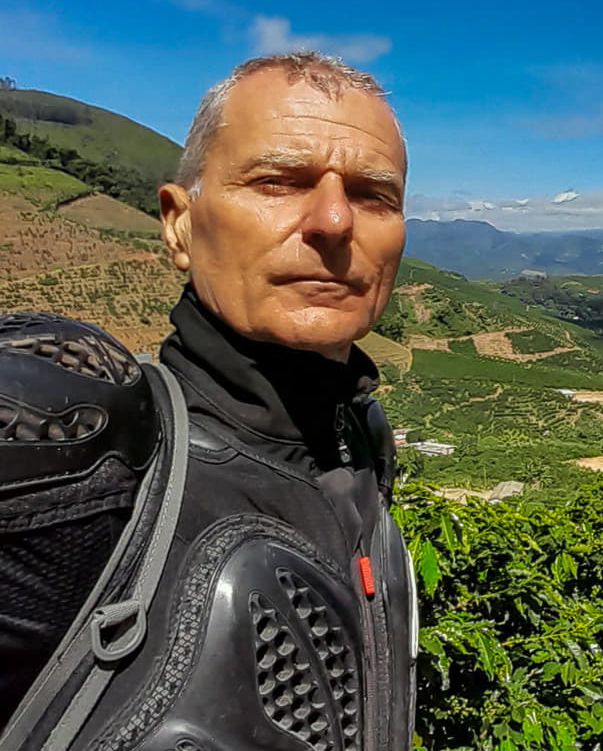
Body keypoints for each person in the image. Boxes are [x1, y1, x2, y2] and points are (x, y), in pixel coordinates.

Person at [0, 52, 417, 751]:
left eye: (375, 195)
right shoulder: (77, 433)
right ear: (179, 225)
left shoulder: (362, 448)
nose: (336, 219)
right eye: (279, 181)